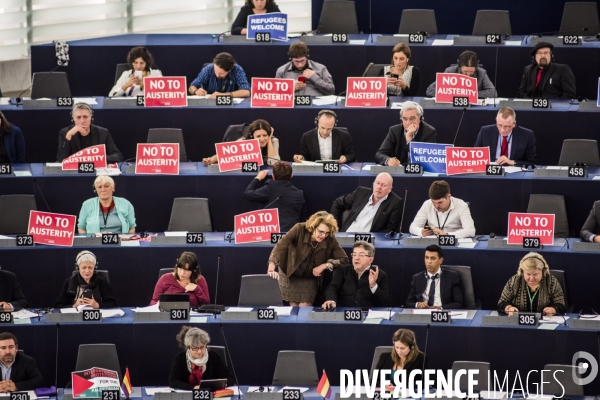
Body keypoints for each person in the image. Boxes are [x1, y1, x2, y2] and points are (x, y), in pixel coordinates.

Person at [267, 211, 349, 306]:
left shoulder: (330, 238)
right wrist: (271, 268)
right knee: (294, 310)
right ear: (313, 227)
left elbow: (344, 259)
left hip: (309, 278)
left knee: (304, 308)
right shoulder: (299, 229)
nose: (323, 236)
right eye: (321, 231)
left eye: (326, 233)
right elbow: (280, 246)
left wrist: (325, 265)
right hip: (290, 273)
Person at [244, 161, 308, 232]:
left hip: (269, 234)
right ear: (291, 176)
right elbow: (303, 219)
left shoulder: (271, 187)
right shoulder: (299, 194)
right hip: (291, 235)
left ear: (273, 176)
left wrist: (257, 178)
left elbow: (248, 194)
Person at [322, 241, 389, 308]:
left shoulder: (380, 275)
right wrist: (331, 300)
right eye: (354, 254)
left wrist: (373, 285)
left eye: (361, 255)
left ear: (370, 260)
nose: (356, 258)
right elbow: (333, 287)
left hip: (368, 315)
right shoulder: (342, 270)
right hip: (344, 314)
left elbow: (384, 303)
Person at [331, 173, 403, 232]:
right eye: (377, 183)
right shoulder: (360, 192)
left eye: (384, 185)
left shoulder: (395, 203)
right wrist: (334, 226)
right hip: (347, 236)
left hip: (368, 243)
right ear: (373, 184)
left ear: (390, 189)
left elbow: (390, 229)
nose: (379, 187)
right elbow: (337, 203)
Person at [498, 252, 565, 316]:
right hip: (519, 322)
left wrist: (553, 309)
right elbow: (502, 302)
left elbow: (561, 304)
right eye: (528, 274)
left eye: (535, 274)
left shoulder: (551, 282)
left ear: (543, 271)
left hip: (544, 322)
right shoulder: (514, 281)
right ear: (522, 272)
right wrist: (508, 308)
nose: (531, 278)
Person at [169, 326, 233, 390]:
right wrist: (194, 388)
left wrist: (215, 386)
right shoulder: (180, 358)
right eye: (195, 348)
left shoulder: (214, 356)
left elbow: (230, 379)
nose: (199, 352)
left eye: (202, 347)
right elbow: (173, 381)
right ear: (188, 347)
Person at [56, 103, 123, 163]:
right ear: (73, 119)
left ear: (91, 118)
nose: (82, 121)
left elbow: (118, 156)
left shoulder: (103, 133)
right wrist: (68, 136)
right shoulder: (65, 132)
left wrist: (98, 159)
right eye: (78, 117)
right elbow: (61, 159)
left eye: (85, 117)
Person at [409, 180, 475, 238]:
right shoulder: (427, 204)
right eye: (433, 202)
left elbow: (470, 231)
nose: (436, 206)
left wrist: (447, 235)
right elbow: (412, 227)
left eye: (440, 202)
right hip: (433, 241)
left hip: (453, 241)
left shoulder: (461, 205)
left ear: (448, 197)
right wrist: (421, 232)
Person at [404, 245, 464, 309]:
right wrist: (418, 304)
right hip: (423, 314)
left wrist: (440, 308)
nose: (429, 262)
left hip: (441, 314)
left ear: (441, 260)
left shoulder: (452, 276)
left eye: (433, 258)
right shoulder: (417, 278)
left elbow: (459, 303)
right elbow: (408, 303)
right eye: (426, 258)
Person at [202, 119, 279, 166]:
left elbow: (274, 162)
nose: (262, 139)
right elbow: (227, 154)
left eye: (265, 135)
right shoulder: (245, 140)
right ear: (252, 136)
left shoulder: (273, 141)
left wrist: (269, 140)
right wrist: (211, 159)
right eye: (258, 136)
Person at [426, 50, 497, 98]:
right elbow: (430, 90)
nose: (468, 75)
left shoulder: (481, 73)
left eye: (471, 72)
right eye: (465, 72)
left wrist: (469, 94)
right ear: (459, 66)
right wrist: (454, 94)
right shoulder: (449, 71)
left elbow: (493, 93)